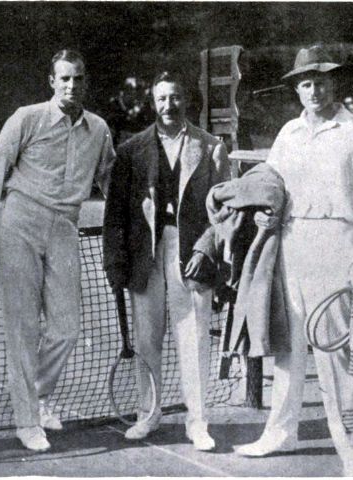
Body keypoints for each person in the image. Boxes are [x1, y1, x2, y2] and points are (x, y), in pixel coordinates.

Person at [234, 45, 353, 477]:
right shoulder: (288, 134)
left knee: (342, 357)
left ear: (334, 82)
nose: (314, 89)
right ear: (297, 89)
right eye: (305, 82)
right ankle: (280, 431)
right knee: (288, 350)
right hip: (292, 245)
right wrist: (260, 208)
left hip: (340, 246)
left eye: (321, 80)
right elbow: (270, 184)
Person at [0, 49, 115, 452]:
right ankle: (27, 420)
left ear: (86, 82)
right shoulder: (26, 118)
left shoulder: (100, 129)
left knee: (67, 328)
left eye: (78, 79)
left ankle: (34, 395)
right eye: (64, 78)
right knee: (23, 328)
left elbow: (112, 183)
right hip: (20, 221)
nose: (71, 86)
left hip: (66, 225)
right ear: (51, 81)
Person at [102, 71, 229, 450]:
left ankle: (198, 421)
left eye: (174, 98)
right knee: (147, 339)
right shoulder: (130, 151)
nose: (168, 106)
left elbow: (226, 211)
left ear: (185, 101)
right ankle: (148, 414)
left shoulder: (210, 147)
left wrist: (207, 245)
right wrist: (115, 263)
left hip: (192, 254)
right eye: (161, 99)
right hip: (146, 256)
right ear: (153, 102)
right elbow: (116, 215)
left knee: (194, 339)